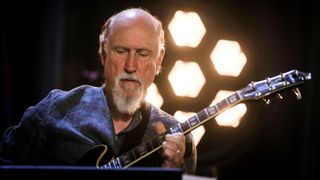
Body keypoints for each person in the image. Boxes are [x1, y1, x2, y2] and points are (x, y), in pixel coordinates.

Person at [0, 8, 197, 174]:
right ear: (103, 53)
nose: (131, 65)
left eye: (143, 54)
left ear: (159, 60)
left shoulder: (179, 137)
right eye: (121, 51)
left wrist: (171, 170)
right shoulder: (57, 108)